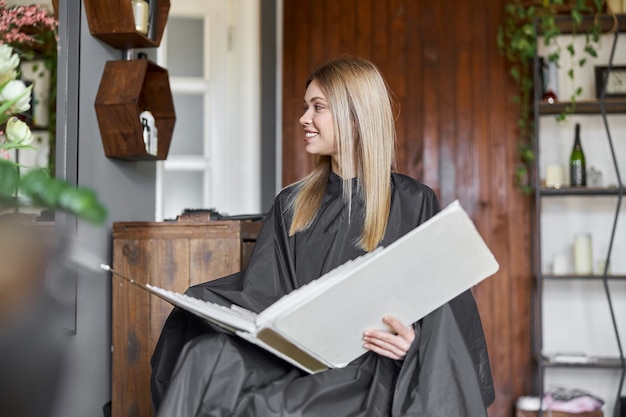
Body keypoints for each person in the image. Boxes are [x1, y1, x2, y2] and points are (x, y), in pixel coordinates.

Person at [151, 56, 494, 416]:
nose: (304, 118)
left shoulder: (412, 202)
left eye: (317, 107)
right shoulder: (292, 204)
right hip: (294, 354)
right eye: (305, 107)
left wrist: (416, 345)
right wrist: (200, 302)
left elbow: (447, 311)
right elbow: (262, 291)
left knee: (270, 406)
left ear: (355, 117)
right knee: (204, 357)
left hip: (366, 368)